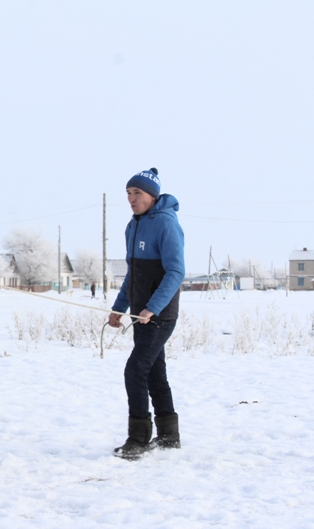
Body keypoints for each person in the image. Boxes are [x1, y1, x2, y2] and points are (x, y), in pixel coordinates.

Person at [108, 167, 185, 460]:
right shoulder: (134, 225)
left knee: (135, 370)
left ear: (152, 195)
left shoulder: (166, 224)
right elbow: (134, 274)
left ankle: (138, 438)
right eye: (128, 193)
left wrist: (153, 308)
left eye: (137, 193)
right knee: (154, 372)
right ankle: (168, 435)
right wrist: (119, 308)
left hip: (159, 315)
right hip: (140, 315)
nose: (131, 198)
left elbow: (176, 271)